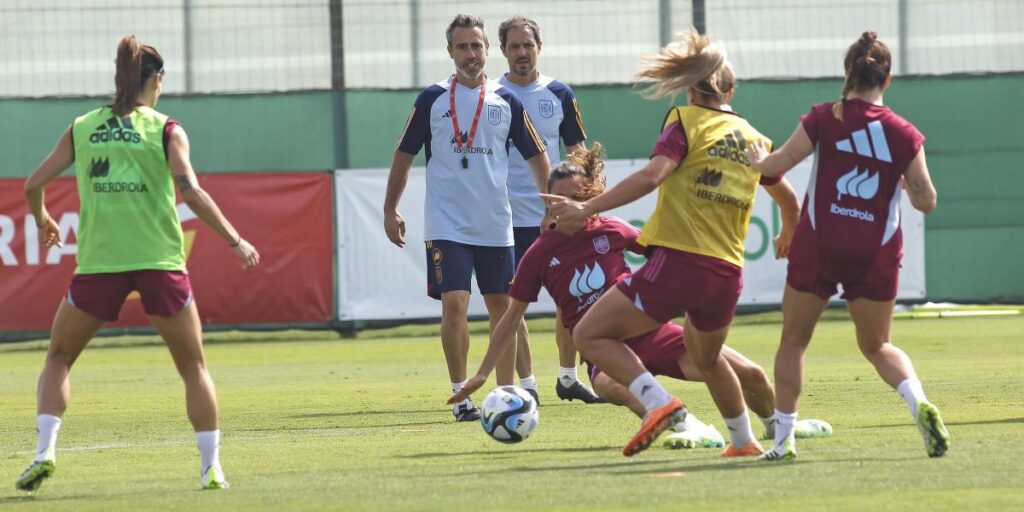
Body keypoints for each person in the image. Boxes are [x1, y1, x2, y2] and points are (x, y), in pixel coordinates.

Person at [449, 144, 829, 449]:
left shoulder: (613, 229)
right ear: (547, 202)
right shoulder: (539, 254)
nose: (564, 206)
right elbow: (511, 317)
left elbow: (664, 258)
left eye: (574, 197)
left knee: (750, 374)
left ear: (591, 195)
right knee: (609, 386)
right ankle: (689, 426)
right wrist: (482, 373)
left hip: (652, 332)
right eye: (556, 200)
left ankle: (780, 425)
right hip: (603, 349)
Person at [16, 35, 260, 492]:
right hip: (160, 262)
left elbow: (33, 184)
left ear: (118, 78)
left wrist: (43, 219)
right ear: (157, 80)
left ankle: (45, 451)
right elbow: (191, 192)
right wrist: (235, 240)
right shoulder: (167, 130)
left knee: (59, 357)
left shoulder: (83, 127)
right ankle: (211, 469)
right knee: (194, 368)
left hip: (99, 266)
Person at [544, 30, 801, 457]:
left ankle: (658, 402)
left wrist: (587, 208)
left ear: (689, 88)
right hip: (727, 273)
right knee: (709, 360)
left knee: (589, 334)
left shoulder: (685, 120)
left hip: (680, 263)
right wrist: (788, 230)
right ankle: (744, 442)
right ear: (731, 91)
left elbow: (653, 176)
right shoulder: (752, 137)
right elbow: (789, 200)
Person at [745, 31, 947, 461]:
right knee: (877, 345)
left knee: (794, 341)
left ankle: (783, 442)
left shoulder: (824, 117)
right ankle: (919, 403)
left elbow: (777, 165)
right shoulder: (904, 134)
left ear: (847, 72)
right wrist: (903, 179)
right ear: (887, 79)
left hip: (820, 242)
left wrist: (757, 158)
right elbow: (926, 201)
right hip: (875, 250)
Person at [383, 14, 551, 422]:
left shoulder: (505, 100)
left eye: (477, 46)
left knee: (502, 308)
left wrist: (551, 207)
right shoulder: (432, 99)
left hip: (495, 223)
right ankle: (460, 396)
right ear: (450, 52)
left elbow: (538, 155)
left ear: (487, 50)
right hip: (447, 222)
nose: (471, 54)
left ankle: (506, 394)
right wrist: (390, 208)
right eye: (463, 47)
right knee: (455, 302)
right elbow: (404, 155)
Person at [496, 15, 600, 405]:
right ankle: (527, 385)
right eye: (514, 46)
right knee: (511, 305)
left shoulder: (559, 93)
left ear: (539, 48)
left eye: (528, 45)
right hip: (504, 218)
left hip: (554, 218)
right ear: (503, 51)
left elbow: (576, 152)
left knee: (573, 297)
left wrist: (583, 199)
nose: (522, 53)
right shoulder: (492, 95)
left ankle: (568, 378)